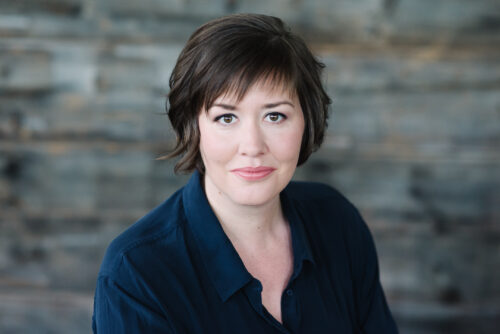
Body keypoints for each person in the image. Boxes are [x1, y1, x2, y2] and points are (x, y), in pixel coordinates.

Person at [92, 13, 399, 333]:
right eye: (226, 118)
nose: (252, 146)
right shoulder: (136, 274)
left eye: (275, 116)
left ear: (307, 120)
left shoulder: (338, 224)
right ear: (193, 126)